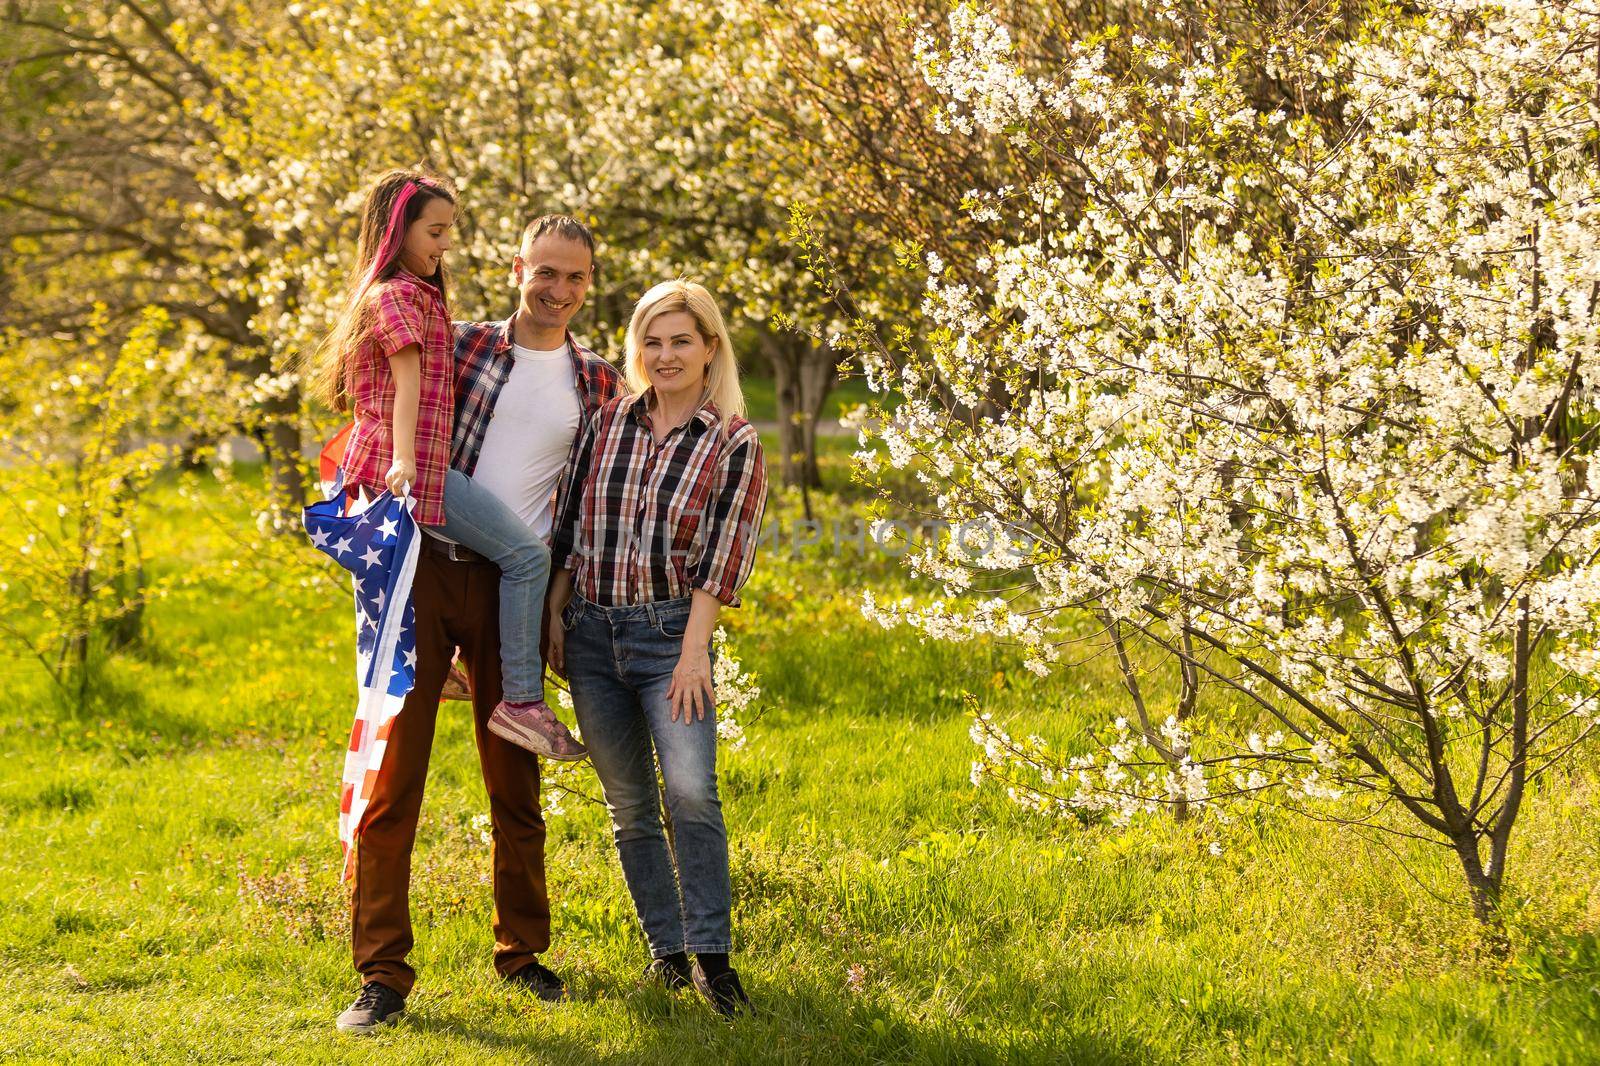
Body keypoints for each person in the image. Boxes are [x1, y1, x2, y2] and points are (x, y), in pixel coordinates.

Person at [313, 195, 621, 1033]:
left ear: (588, 287)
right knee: (394, 780)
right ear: (517, 270)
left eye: (574, 278)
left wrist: (559, 600)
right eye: (543, 271)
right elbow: (378, 415)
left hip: (507, 595)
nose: (556, 289)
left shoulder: (598, 381)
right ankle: (381, 974)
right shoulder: (461, 339)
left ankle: (521, 954)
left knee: (513, 779)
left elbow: (588, 504)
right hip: (421, 576)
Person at [547, 280, 768, 1018]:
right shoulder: (607, 423)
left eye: (680, 341)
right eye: (652, 341)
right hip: (590, 637)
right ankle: (666, 956)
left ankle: (715, 960)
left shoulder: (733, 441)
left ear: (710, 349)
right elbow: (573, 531)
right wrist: (554, 617)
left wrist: (693, 653)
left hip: (672, 636)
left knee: (692, 795)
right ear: (637, 349)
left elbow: (723, 558)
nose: (664, 355)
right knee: (631, 806)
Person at [308, 169, 580, 766]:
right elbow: (405, 386)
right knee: (526, 556)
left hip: (413, 466)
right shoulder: (399, 297)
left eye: (448, 230)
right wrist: (403, 460)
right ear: (397, 229)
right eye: (435, 230)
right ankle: (521, 702)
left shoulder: (413, 295)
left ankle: (453, 669)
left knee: (404, 571)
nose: (446, 244)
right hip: (416, 469)